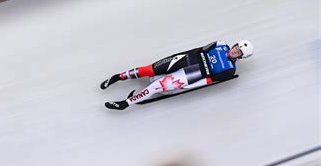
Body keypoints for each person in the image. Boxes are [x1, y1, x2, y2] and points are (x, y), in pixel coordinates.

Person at [100, 40, 254, 110]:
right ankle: (118, 77)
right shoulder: (220, 44)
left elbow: (209, 80)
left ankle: (125, 103)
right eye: (236, 47)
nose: (235, 50)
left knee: (156, 86)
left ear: (240, 56)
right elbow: (198, 49)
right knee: (150, 70)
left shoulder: (229, 70)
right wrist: (177, 56)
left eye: (239, 52)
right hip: (185, 60)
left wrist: (188, 86)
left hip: (193, 74)